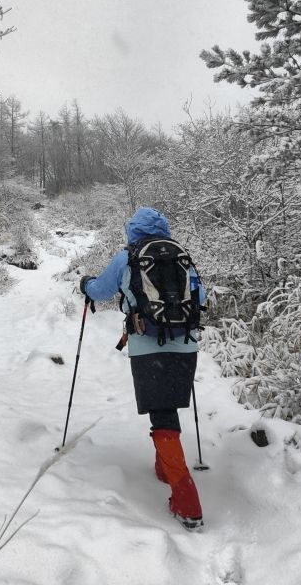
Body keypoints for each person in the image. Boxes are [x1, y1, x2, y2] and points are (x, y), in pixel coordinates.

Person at [79, 206, 205, 530]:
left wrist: (86, 285)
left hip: (149, 347)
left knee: (161, 411)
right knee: (167, 407)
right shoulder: (181, 256)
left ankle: (186, 497)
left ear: (132, 230)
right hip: (187, 346)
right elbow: (201, 296)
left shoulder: (128, 257)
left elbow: (102, 290)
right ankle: (165, 468)